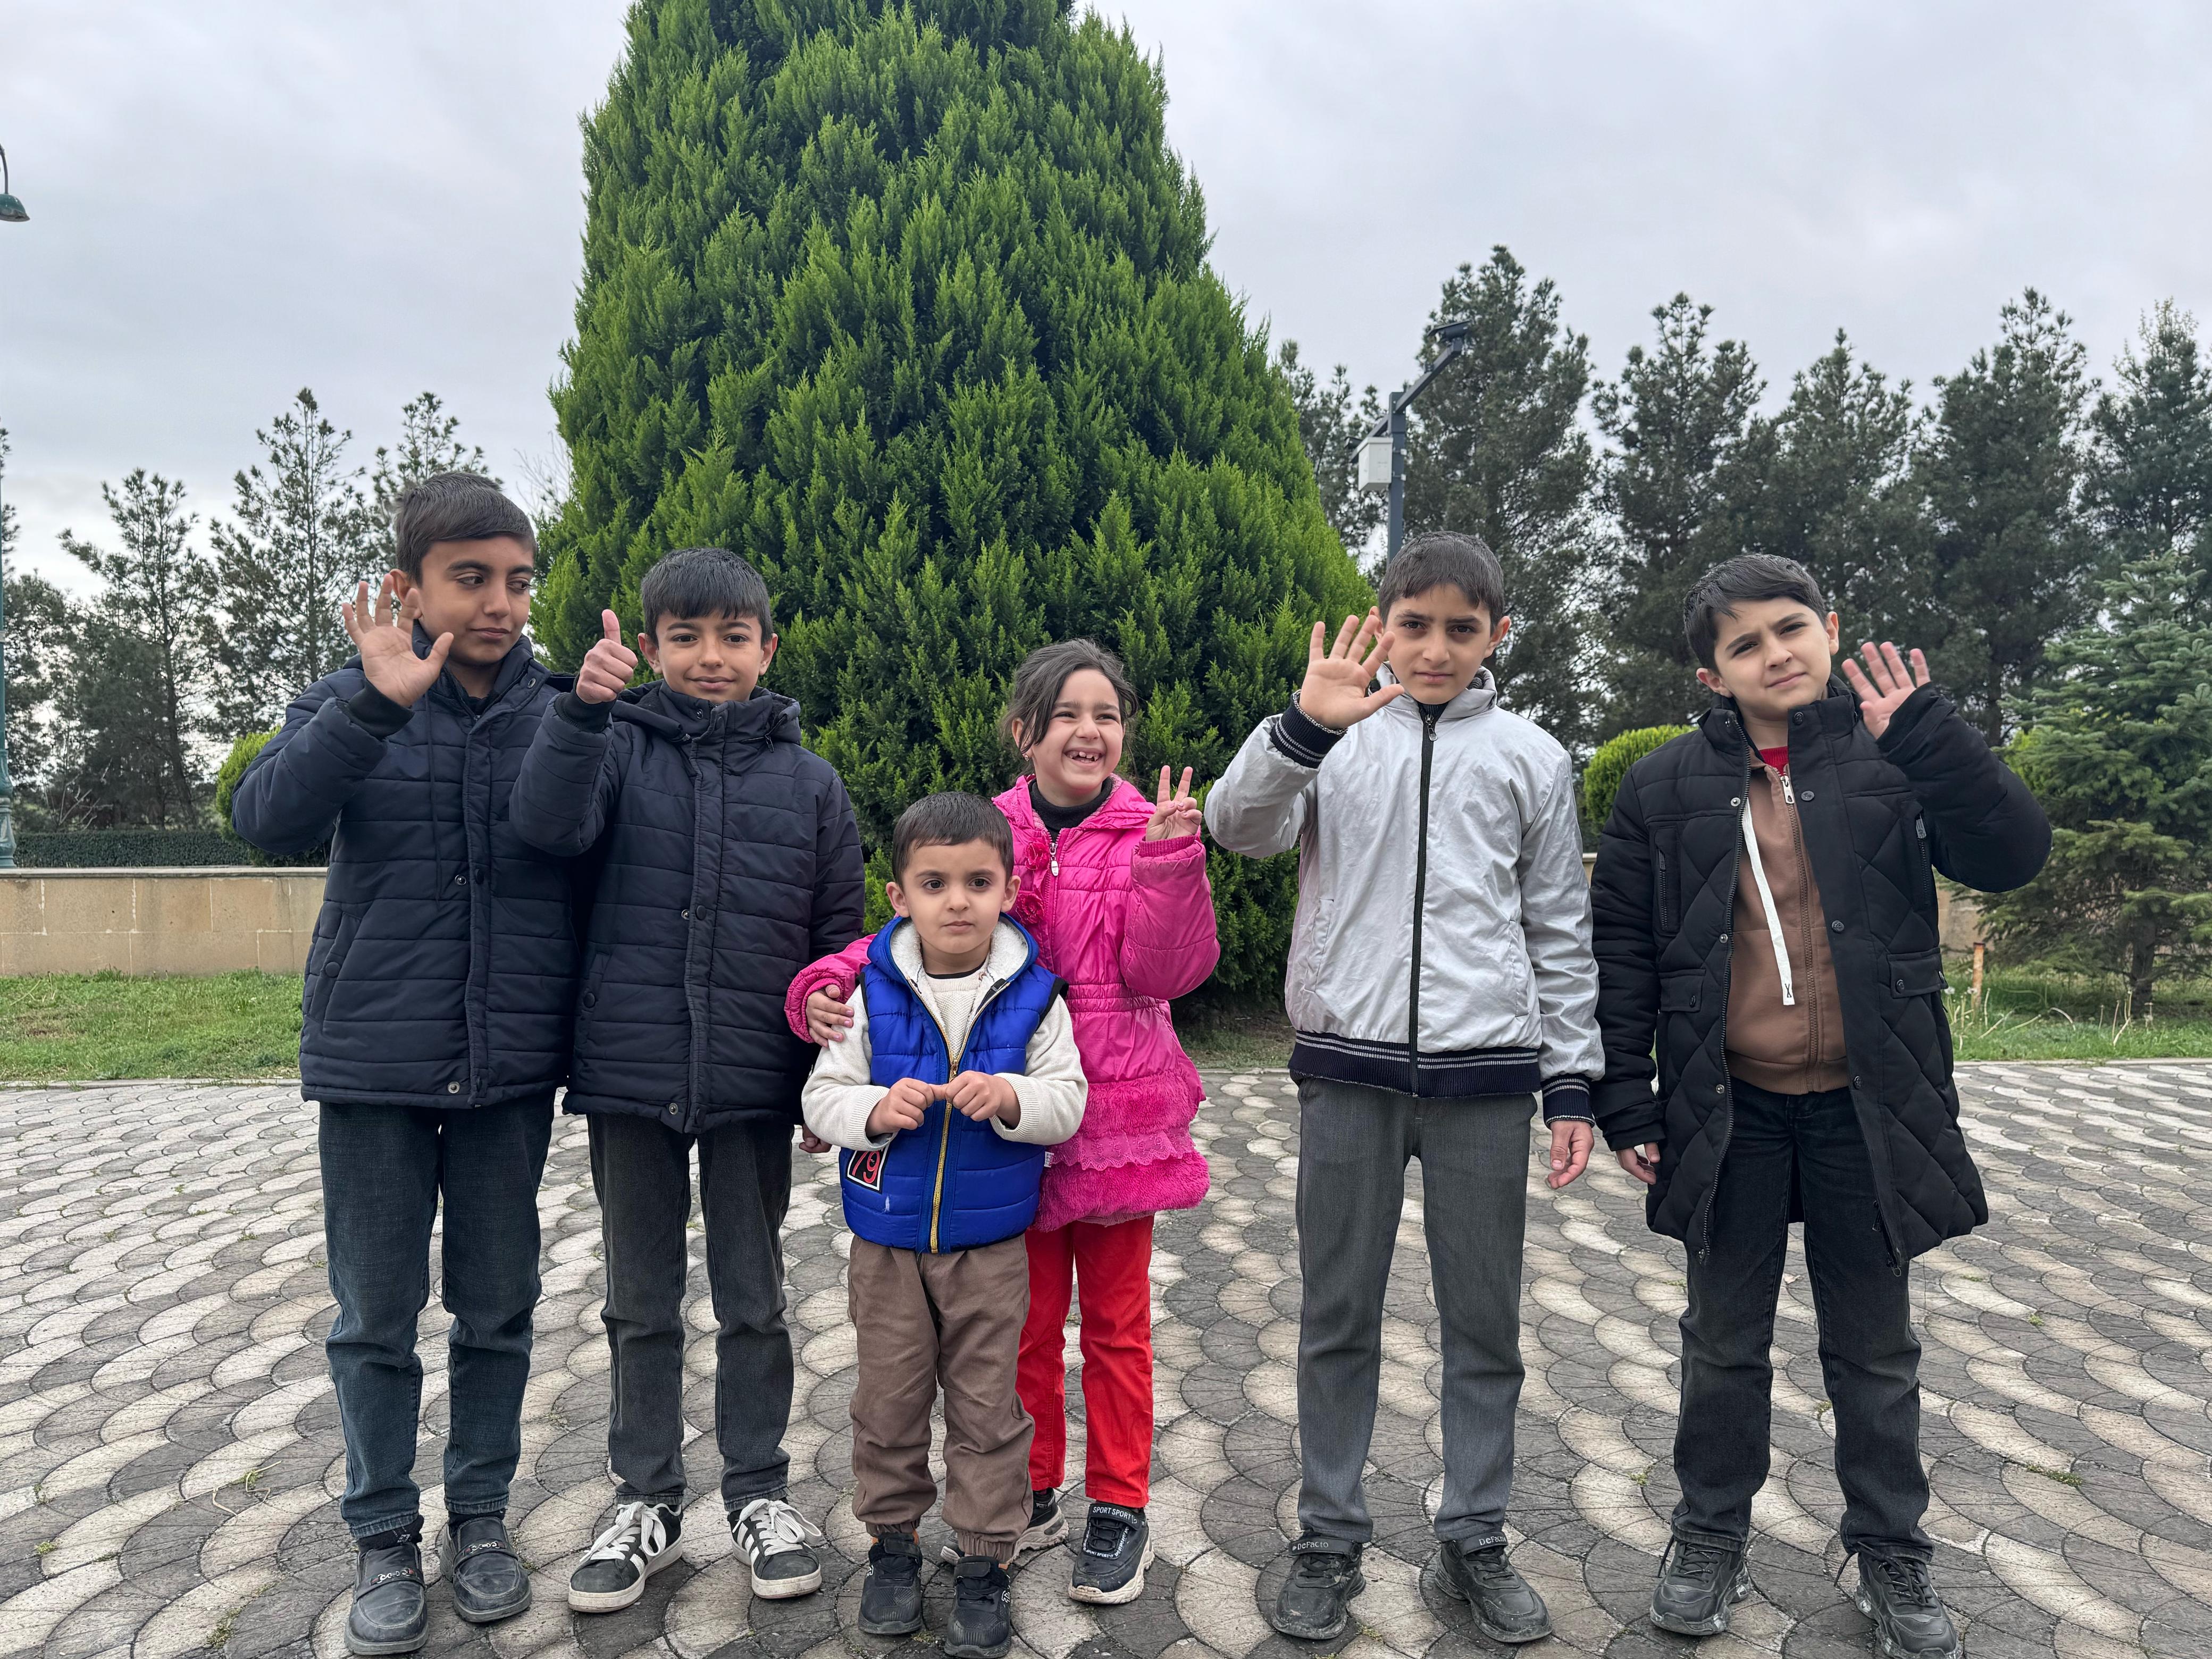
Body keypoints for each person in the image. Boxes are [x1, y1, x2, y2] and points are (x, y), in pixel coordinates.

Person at [1589, 554, 2049, 1659]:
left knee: (1875, 1352)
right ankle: (1708, 1534)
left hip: (1867, 1107)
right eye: (1743, 645)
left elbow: (2012, 856)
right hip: (1728, 1108)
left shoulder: (1894, 757)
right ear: (1712, 675)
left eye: (1790, 628)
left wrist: (1931, 738)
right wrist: (1625, 1099)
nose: (1775, 654)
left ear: (1829, 628)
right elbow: (1623, 952)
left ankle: (1891, 1549)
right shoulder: (1662, 787)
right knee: (1723, 1344)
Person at [1205, 531, 1601, 1647]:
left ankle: (1474, 1534)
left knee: (1485, 1326)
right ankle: (1329, 1536)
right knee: (1337, 1317)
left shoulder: (1533, 757)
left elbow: (1557, 927)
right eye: (1413, 625)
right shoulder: (1329, 736)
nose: (1434, 649)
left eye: (1460, 629)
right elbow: (1237, 830)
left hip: (1486, 1086)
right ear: (1381, 625)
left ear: (1497, 636)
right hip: (1349, 1077)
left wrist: (1572, 1082)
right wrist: (1301, 729)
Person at [785, 640, 1216, 1605]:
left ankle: (1120, 1502)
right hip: (997, 1144)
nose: (1088, 732)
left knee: (1117, 1328)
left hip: (1113, 1126)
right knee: (1021, 1330)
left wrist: (1171, 863)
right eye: (1066, 715)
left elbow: (1170, 971)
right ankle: (1035, 1488)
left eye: (1107, 715)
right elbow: (910, 932)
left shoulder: (1152, 829)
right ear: (1024, 733)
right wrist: (829, 981)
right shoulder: (990, 832)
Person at [231, 473, 572, 1654]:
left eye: (517, 580)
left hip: (508, 1065)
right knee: (375, 1316)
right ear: (410, 586)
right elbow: (265, 821)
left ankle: (480, 1520)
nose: (499, 604)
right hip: (374, 1064)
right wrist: (375, 708)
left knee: (498, 1308)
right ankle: (382, 1533)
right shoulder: (351, 696)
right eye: (470, 578)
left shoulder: (562, 711)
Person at [506, 547, 865, 1614]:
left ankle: (758, 1492)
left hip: (755, 1079)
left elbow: (837, 944)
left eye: (733, 637)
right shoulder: (613, 748)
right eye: (686, 637)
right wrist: (579, 712)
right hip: (631, 1073)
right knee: (639, 1303)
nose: (711, 657)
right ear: (653, 646)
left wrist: (827, 1071)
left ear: (768, 649)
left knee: (755, 1300)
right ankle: (646, 1501)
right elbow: (545, 827)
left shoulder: (811, 784)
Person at [802, 792, 1089, 1659]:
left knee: (987, 1411)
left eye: (977, 882)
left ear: (1008, 890)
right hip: (886, 1248)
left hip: (990, 1250)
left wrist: (1010, 1097)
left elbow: (1068, 1101)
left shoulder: (1036, 995)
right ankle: (893, 1549)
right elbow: (821, 1097)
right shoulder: (867, 990)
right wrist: (872, 1109)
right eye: (934, 884)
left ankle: (985, 1561)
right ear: (899, 896)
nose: (957, 901)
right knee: (886, 1405)